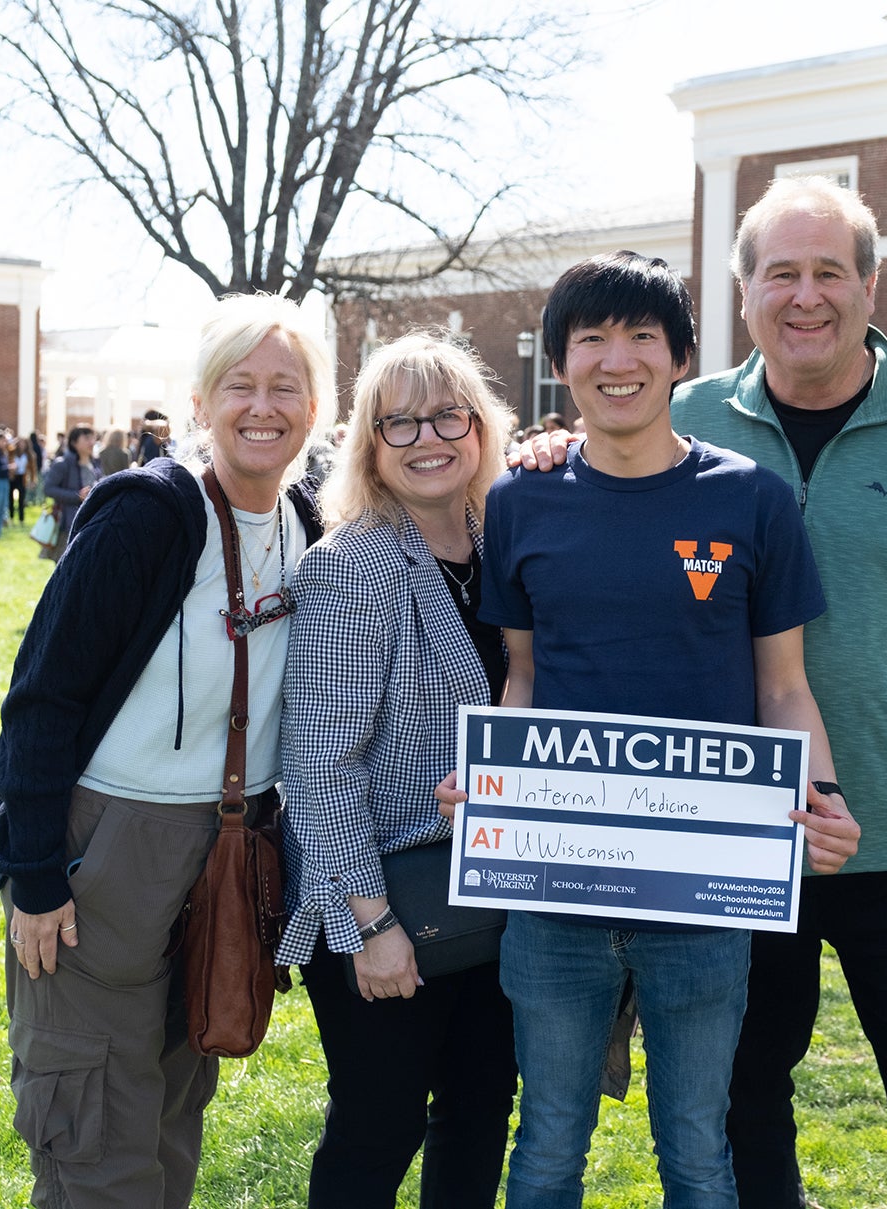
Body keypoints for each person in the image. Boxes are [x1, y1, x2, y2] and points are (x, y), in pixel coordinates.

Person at [520, 180, 887, 1209]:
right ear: (743, 290)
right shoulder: (678, 414)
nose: (806, 296)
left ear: (870, 286)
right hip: (729, 840)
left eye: (829, 272)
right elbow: (589, 498)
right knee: (739, 1105)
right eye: (781, 274)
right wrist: (552, 451)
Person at [456, 250, 860, 1209]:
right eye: (591, 338)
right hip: (555, 887)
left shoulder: (751, 499)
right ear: (561, 361)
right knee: (545, 1146)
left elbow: (784, 687)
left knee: (699, 1152)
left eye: (642, 335)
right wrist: (492, 788)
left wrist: (826, 795)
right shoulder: (518, 501)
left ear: (681, 357)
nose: (617, 358)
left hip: (703, 894)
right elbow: (525, 675)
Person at [0, 293, 332, 1208]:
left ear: (314, 408)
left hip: (234, 851)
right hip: (109, 849)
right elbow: (42, 698)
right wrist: (35, 874)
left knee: (177, 1104)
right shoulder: (148, 515)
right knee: (94, 1122)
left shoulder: (311, 525)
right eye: (238, 384)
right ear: (200, 402)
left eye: (284, 387)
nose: (261, 406)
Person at [278, 331, 520, 1208]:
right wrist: (372, 922)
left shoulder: (504, 544)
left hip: (495, 891)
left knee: (481, 1111)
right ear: (369, 444)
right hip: (385, 899)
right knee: (378, 1127)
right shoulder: (351, 566)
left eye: (448, 416)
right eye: (400, 423)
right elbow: (319, 766)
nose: (428, 439)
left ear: (481, 426)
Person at [41, 427, 102, 562]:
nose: (91, 442)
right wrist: (76, 496)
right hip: (67, 524)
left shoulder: (96, 463)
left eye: (93, 438)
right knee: (65, 564)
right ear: (74, 442)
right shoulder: (62, 464)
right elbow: (49, 489)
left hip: (91, 522)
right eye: (86, 438)